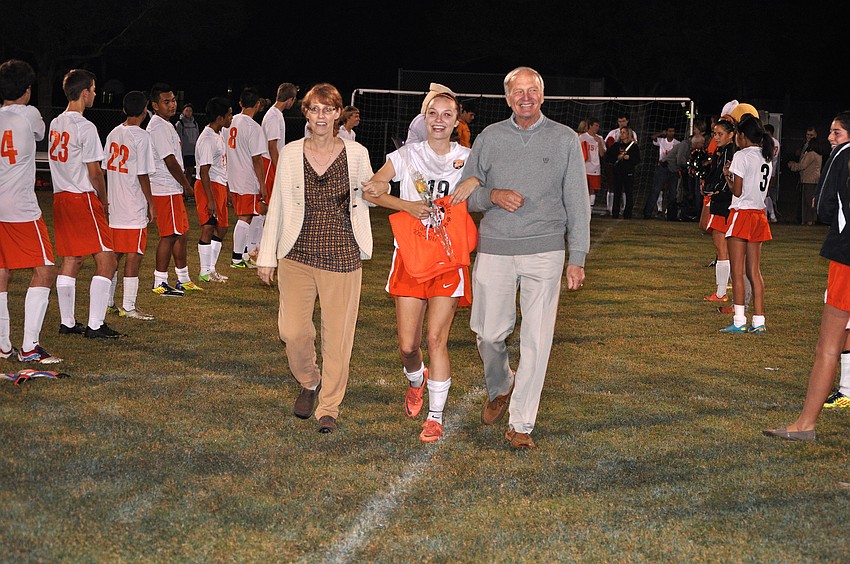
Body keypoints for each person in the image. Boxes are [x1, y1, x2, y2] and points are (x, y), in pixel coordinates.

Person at [452, 67, 591, 450]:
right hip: (495, 247)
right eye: (518, 91)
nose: (525, 97)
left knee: (537, 339)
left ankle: (521, 424)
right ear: (507, 97)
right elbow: (469, 195)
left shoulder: (564, 139)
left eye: (533, 91)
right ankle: (500, 385)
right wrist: (493, 195)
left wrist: (576, 256)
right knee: (488, 333)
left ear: (542, 96)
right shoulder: (489, 137)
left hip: (546, 251)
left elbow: (578, 202)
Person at [256, 83, 373, 434]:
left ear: (338, 113)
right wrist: (267, 256)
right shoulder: (291, 153)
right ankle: (309, 380)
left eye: (328, 109)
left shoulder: (357, 154)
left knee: (337, 337)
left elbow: (372, 194)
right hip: (297, 253)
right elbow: (277, 203)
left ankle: (329, 408)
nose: (321, 116)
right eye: (314, 109)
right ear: (305, 113)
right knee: (291, 331)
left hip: (342, 254)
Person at [362, 92, 473, 443]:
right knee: (408, 346)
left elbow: (489, 183)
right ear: (424, 118)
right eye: (433, 113)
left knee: (436, 338)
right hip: (411, 256)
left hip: (448, 257)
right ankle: (416, 380)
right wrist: (403, 203)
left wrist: (475, 180)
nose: (439, 120)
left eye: (447, 114)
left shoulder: (468, 158)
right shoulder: (406, 155)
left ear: (457, 121)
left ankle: (435, 417)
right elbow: (371, 191)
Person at [763, 112, 850, 440]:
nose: (831, 138)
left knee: (828, 346)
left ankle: (805, 425)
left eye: (837, 132)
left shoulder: (844, 155)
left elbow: (825, 206)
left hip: (847, 258)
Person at [48, 69, 122, 339]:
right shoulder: (85, 126)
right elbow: (94, 172)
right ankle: (95, 324)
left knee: (72, 258)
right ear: (83, 93)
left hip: (60, 197)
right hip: (82, 197)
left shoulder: (56, 122)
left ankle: (67, 322)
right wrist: (103, 200)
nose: (94, 93)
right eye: (92, 89)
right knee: (108, 260)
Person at [0, 59, 61, 362]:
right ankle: (29, 347)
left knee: (2, 270)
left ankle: (2, 343)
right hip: (20, 207)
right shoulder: (29, 114)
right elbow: (39, 134)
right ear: (26, 89)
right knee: (46, 268)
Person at [102, 91, 157, 321]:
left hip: (115, 203)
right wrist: (151, 203)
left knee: (115, 255)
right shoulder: (141, 136)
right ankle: (129, 306)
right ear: (145, 110)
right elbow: (142, 174)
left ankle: (107, 301)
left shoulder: (114, 132)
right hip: (132, 204)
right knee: (134, 254)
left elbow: (105, 168)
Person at [719, 114, 774, 334]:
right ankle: (759, 321)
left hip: (742, 214)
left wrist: (727, 176)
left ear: (742, 136)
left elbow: (738, 191)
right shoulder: (766, 156)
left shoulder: (741, 156)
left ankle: (739, 320)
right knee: (755, 271)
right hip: (759, 215)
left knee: (738, 271)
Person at [146, 82, 201, 296]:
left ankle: (183, 278)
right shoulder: (158, 126)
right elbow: (169, 160)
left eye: (173, 100)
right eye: (166, 101)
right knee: (168, 235)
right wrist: (187, 185)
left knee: (182, 233)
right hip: (164, 187)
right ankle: (160, 282)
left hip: (170, 188)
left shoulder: (166, 124)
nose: (172, 105)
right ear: (155, 105)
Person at [225, 87, 268, 268]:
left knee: (249, 214)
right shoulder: (253, 127)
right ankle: (236, 258)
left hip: (233, 175)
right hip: (246, 177)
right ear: (258, 104)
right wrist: (262, 183)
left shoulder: (230, 121)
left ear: (241, 103)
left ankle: (243, 254)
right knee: (246, 217)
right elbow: (256, 158)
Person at [194, 96, 233, 283]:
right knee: (209, 227)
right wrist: (210, 199)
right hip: (207, 185)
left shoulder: (219, 134)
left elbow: (221, 165)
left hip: (218, 184)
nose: (231, 118)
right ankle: (204, 271)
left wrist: (227, 188)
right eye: (229, 115)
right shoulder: (208, 138)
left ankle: (211, 269)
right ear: (219, 118)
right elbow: (204, 171)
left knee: (223, 227)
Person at [701, 118, 737, 303]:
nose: (716, 137)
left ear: (731, 135)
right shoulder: (722, 151)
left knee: (722, 249)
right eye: (715, 133)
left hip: (725, 204)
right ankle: (723, 292)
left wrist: (713, 190)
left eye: (720, 134)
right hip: (723, 202)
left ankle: (722, 293)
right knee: (723, 249)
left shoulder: (730, 152)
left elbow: (727, 179)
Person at [261, 82, 297, 202]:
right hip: (269, 163)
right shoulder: (274, 116)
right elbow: (272, 146)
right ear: (290, 99)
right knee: (265, 206)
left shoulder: (276, 114)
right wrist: (279, 168)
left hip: (270, 163)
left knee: (271, 205)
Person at [604, 126, 640, 219]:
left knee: (629, 193)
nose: (622, 134)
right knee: (617, 193)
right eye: (621, 132)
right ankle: (615, 213)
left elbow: (637, 159)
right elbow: (608, 157)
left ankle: (627, 214)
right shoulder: (616, 145)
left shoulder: (633, 146)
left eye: (624, 132)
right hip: (618, 172)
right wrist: (617, 157)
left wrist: (629, 158)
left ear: (628, 134)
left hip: (628, 172)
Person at [644, 126, 680, 219]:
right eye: (669, 131)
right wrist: (661, 133)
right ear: (666, 132)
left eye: (673, 131)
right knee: (656, 190)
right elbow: (652, 137)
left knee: (672, 192)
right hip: (662, 168)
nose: (671, 133)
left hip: (672, 168)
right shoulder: (661, 141)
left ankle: (671, 214)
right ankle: (648, 212)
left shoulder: (677, 143)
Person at [787, 135, 822, 225]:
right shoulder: (819, 155)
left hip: (808, 180)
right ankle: (810, 219)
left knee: (807, 201)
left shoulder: (811, 154)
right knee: (811, 201)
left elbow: (802, 166)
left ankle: (808, 220)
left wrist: (792, 165)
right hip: (815, 179)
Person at [579, 117, 606, 209]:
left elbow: (602, 154)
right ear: (590, 126)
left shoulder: (600, 138)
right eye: (596, 125)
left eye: (598, 126)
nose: (597, 128)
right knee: (583, 189)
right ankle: (582, 207)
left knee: (592, 189)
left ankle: (590, 208)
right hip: (583, 167)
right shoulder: (582, 137)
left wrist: (599, 143)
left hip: (595, 167)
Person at [175, 102, 199, 185]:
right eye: (187, 110)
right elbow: (178, 139)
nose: (188, 112)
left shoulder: (195, 123)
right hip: (184, 152)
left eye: (190, 111)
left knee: (190, 171)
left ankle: (187, 192)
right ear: (183, 112)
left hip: (192, 152)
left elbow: (197, 136)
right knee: (183, 173)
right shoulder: (180, 124)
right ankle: (183, 190)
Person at [763, 123, 780, 223]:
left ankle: (769, 215)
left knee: (765, 194)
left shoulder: (768, 142)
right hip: (771, 170)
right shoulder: (776, 142)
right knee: (766, 194)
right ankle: (771, 215)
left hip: (767, 170)